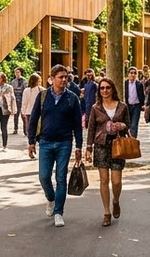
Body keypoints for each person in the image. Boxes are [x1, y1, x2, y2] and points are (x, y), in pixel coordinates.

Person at [27, 65, 83, 227]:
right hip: (45, 142)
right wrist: (31, 141)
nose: (64, 79)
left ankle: (59, 212)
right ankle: (51, 199)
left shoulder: (72, 98)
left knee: (61, 178)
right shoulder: (43, 96)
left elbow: (77, 125)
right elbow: (33, 119)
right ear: (52, 79)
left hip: (64, 143)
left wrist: (79, 146)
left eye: (66, 77)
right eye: (61, 77)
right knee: (44, 176)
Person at [85, 77, 128, 227]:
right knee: (104, 180)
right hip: (101, 145)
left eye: (107, 88)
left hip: (117, 145)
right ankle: (106, 212)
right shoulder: (96, 108)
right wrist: (88, 148)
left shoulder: (122, 107)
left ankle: (116, 201)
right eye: (102, 88)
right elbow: (90, 128)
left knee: (116, 181)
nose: (105, 90)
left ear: (112, 89)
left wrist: (122, 125)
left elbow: (128, 126)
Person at [19, 73, 43, 156]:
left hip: (29, 113)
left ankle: (31, 145)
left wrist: (23, 112)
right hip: (39, 113)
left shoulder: (26, 90)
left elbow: (24, 103)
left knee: (30, 131)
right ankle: (35, 146)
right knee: (39, 130)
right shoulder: (41, 90)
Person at [122, 68, 145, 137]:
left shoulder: (139, 84)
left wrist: (142, 104)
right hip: (127, 106)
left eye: (135, 73)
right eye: (131, 73)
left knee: (134, 124)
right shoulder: (125, 83)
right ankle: (127, 138)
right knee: (127, 123)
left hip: (136, 106)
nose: (133, 75)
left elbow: (141, 95)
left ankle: (133, 140)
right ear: (128, 74)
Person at [11, 68, 27, 135]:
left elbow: (25, 90)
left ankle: (25, 130)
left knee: (24, 115)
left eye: (18, 72)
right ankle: (15, 128)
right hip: (16, 99)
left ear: (20, 73)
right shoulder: (13, 81)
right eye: (16, 72)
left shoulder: (24, 81)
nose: (17, 74)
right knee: (16, 115)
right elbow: (12, 91)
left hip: (22, 99)